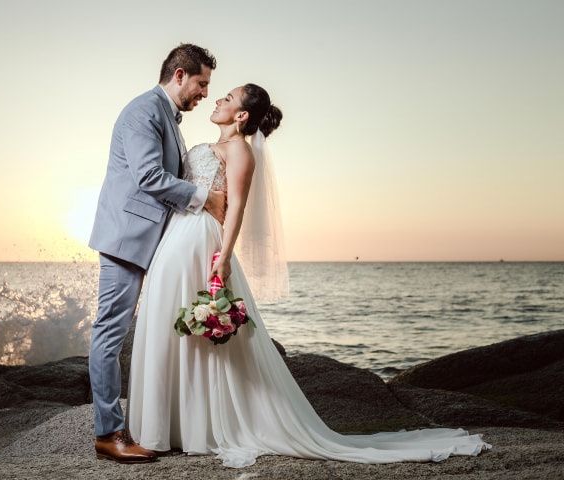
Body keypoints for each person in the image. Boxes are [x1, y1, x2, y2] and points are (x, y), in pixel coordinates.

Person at [126, 83, 492, 468]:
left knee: (201, 333)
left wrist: (226, 255)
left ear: (241, 116)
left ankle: (197, 426)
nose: (217, 99)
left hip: (201, 240)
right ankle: (171, 424)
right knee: (168, 320)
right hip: (176, 237)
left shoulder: (240, 152)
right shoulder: (207, 145)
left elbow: (235, 210)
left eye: (227, 98)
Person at [88, 43, 226, 464]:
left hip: (151, 241)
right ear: (180, 74)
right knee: (109, 332)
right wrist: (205, 198)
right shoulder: (143, 111)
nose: (204, 93)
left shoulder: (166, 114)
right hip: (127, 238)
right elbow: (149, 176)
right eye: (201, 83)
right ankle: (107, 433)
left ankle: (155, 422)